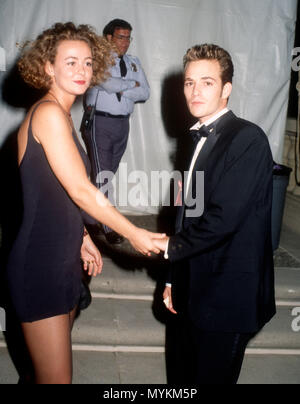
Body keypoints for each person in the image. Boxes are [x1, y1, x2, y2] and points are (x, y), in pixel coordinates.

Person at [5, 22, 164, 384]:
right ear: (48, 66)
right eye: (71, 62)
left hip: (61, 257)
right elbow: (80, 190)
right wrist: (135, 234)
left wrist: (81, 238)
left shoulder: (60, 114)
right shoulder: (47, 114)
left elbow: (54, 193)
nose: (82, 71)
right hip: (39, 265)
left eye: (89, 63)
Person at [154, 44, 276, 384]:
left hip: (227, 295)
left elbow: (223, 219)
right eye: (189, 82)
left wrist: (167, 247)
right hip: (191, 289)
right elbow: (184, 217)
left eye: (207, 82)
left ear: (226, 89)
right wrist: (171, 277)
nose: (195, 91)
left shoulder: (248, 139)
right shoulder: (192, 139)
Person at [83, 19, 150, 244]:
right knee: (103, 177)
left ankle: (87, 218)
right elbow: (107, 83)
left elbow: (145, 93)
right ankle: (108, 225)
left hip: (123, 123)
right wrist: (131, 85)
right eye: (121, 37)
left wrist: (122, 87)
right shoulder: (96, 59)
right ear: (109, 37)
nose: (126, 42)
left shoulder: (133, 62)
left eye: (128, 37)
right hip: (100, 122)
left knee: (106, 175)